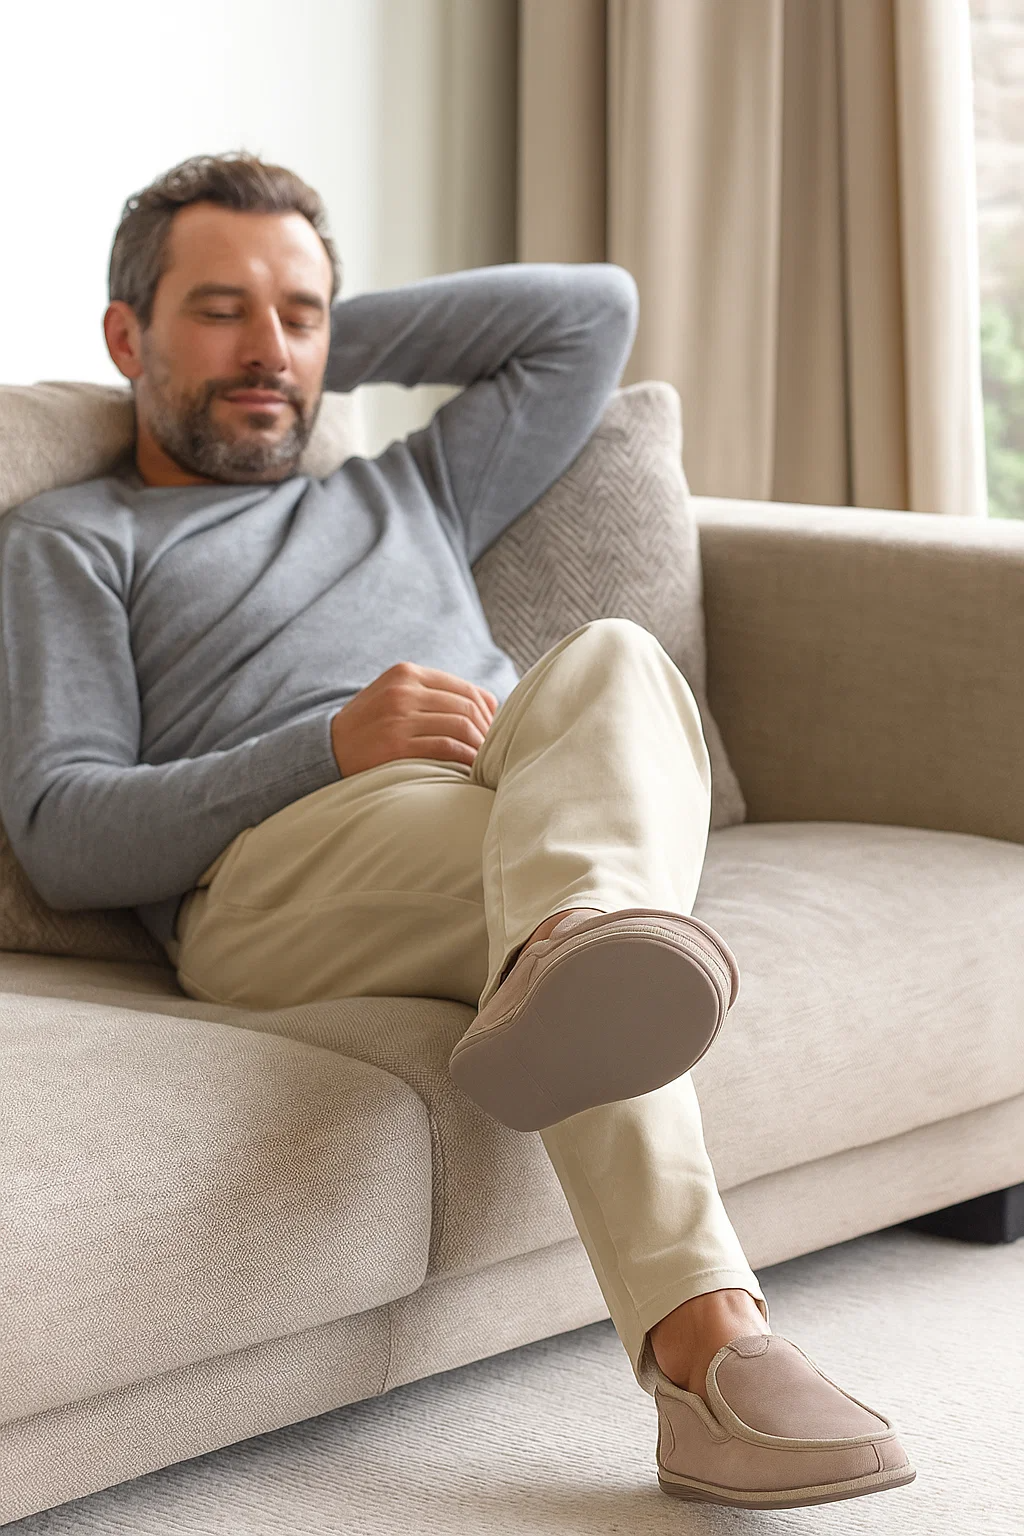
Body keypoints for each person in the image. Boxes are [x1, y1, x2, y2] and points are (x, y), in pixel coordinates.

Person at [0, 152, 915, 1511]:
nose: (269, 350)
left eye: (299, 314)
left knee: (609, 664)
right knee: (592, 909)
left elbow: (589, 312)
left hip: (511, 820)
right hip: (278, 875)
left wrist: (287, 349)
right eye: (219, 310)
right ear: (125, 335)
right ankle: (711, 1326)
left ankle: (587, 982)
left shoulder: (409, 490)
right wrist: (325, 742)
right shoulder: (74, 540)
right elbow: (63, 832)